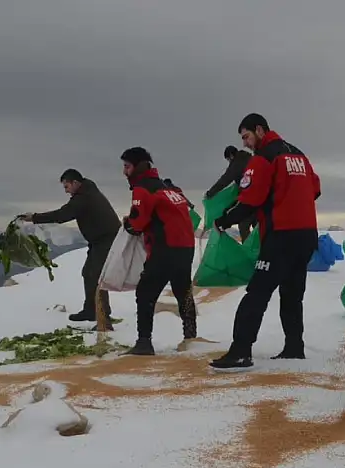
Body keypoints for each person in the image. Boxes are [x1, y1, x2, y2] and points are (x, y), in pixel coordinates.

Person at [209, 113, 321, 369]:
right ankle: (294, 347)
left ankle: (240, 351)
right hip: (306, 236)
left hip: (280, 235)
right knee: (292, 293)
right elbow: (314, 189)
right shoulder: (299, 155)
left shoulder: (263, 159)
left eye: (246, 136)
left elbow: (251, 199)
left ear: (260, 130)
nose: (245, 143)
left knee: (257, 293)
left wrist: (224, 220)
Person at [18, 169, 121, 329]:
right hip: (101, 240)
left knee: (96, 277)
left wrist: (34, 218)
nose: (66, 190)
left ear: (75, 183)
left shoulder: (83, 198)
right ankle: (90, 311)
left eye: (66, 186)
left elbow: (62, 215)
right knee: (88, 273)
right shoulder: (87, 191)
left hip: (106, 240)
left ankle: (104, 320)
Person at [119, 147, 198, 355]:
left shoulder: (143, 189)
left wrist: (128, 224)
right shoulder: (170, 189)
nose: (124, 172)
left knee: (145, 293)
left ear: (138, 167)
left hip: (165, 249)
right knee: (183, 292)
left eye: (127, 167)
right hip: (186, 248)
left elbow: (138, 223)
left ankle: (144, 342)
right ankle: (191, 338)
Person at [205, 145, 256, 241]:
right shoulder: (250, 158)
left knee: (243, 225)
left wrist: (210, 193)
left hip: (249, 198)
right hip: (261, 197)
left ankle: (250, 252)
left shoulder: (237, 163)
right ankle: (260, 249)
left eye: (228, 160)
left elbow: (225, 179)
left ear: (231, 156)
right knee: (257, 225)